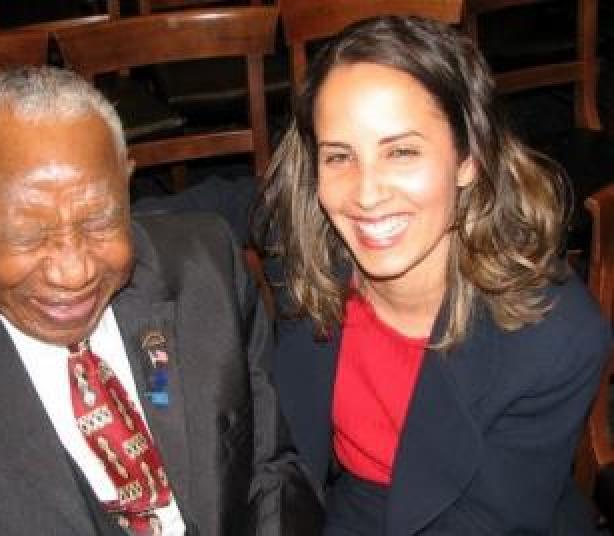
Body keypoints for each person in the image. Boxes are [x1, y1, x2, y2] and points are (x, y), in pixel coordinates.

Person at [0, 66, 320, 535]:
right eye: (28, 236)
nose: (74, 271)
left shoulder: (205, 270)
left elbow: (271, 471)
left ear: (126, 185)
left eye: (100, 221)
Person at [255, 16, 612, 535]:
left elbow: (481, 524)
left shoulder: (555, 337)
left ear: (468, 158)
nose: (367, 193)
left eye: (401, 151)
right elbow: (215, 208)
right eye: (340, 156)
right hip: (344, 509)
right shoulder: (307, 243)